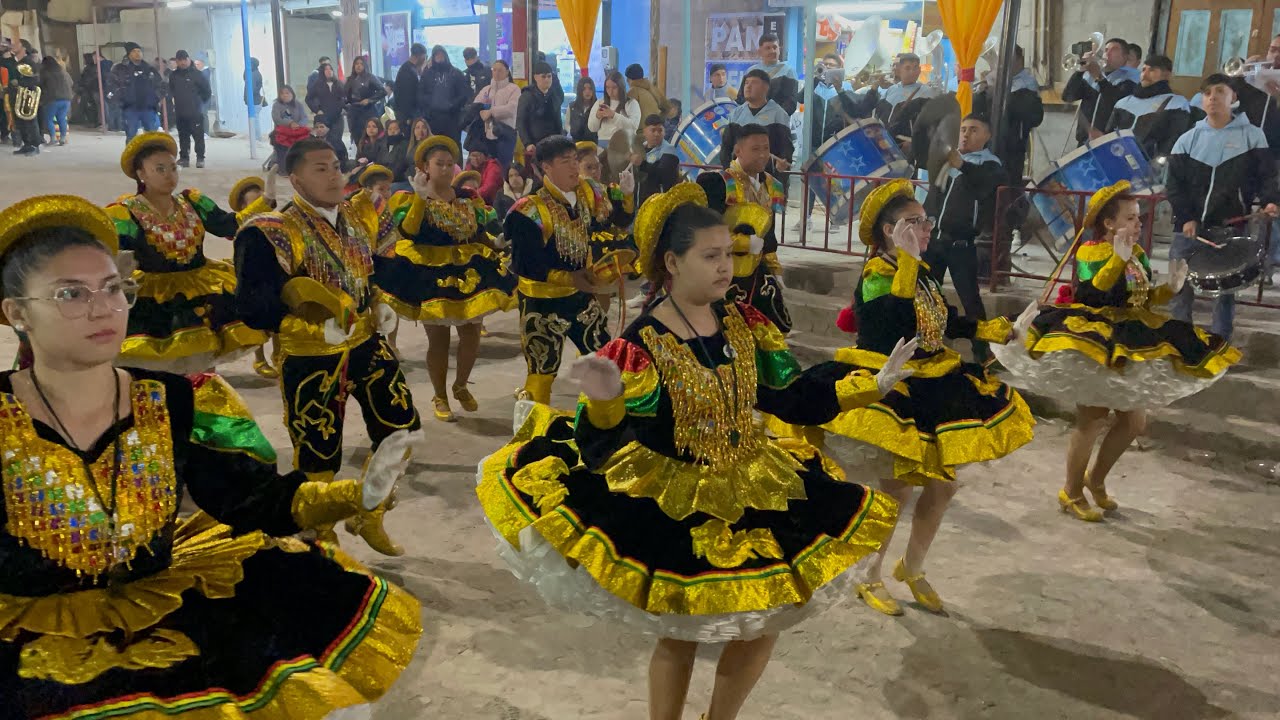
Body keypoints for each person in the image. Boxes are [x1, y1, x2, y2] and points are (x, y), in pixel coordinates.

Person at [476, 183, 903, 720]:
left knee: (764, 623)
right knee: (681, 634)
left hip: (756, 482)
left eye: (728, 253)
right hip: (676, 500)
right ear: (672, 263)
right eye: (710, 256)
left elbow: (787, 395)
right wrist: (606, 400)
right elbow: (604, 448)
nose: (726, 266)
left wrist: (869, 386)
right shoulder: (641, 344)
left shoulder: (745, 323)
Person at [0, 193, 424, 719]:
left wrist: (354, 495)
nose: (102, 308)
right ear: (17, 313)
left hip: (166, 610)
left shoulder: (175, 398)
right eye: (70, 293)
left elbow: (249, 498)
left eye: (113, 288)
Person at [785, 179, 1035, 616]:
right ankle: (869, 575)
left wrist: (998, 330)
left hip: (935, 381)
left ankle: (912, 567)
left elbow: (943, 321)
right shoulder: (877, 275)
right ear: (889, 231)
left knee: (944, 486)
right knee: (895, 490)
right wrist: (906, 262)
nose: (926, 228)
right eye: (914, 222)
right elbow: (894, 324)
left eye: (925, 219)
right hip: (889, 383)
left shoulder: (921, 271)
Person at [990, 181, 1240, 522]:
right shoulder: (1090, 252)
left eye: (1139, 218)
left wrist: (1170, 289)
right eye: (1131, 218)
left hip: (1129, 336)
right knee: (1091, 420)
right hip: (1094, 339)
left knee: (1134, 422)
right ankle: (1071, 491)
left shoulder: (1137, 255)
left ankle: (1095, 479)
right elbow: (1092, 294)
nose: (1139, 224)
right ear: (1109, 223)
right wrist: (1116, 261)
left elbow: (1140, 300)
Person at [234, 137, 422, 553]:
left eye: (336, 165)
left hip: (365, 342)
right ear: (296, 179)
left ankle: (370, 512)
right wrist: (307, 327)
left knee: (402, 430)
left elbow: (379, 270)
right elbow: (252, 305)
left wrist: (381, 301)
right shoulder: (272, 231)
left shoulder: (360, 215)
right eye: (320, 169)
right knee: (318, 456)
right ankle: (321, 541)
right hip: (309, 357)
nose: (334, 175)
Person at [375, 136, 516, 421]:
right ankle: (439, 395)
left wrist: (496, 243)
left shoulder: (467, 198)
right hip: (430, 274)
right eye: (439, 163)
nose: (446, 168)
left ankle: (460, 385)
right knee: (438, 341)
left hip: (469, 271)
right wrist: (420, 198)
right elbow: (409, 232)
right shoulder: (409, 198)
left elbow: (478, 233)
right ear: (425, 167)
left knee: (471, 335)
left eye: (450, 163)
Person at [105, 132, 268, 373]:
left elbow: (229, 225)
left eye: (173, 168)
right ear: (141, 174)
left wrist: (266, 202)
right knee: (160, 364)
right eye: (160, 169)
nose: (169, 175)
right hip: (156, 298)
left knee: (205, 357)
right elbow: (115, 257)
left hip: (200, 289)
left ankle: (203, 390)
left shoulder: (192, 202)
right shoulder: (124, 214)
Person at [505, 135, 633, 404]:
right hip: (541, 303)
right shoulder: (529, 210)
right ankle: (534, 426)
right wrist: (568, 278)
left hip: (580, 297)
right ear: (546, 167)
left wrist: (628, 195)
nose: (575, 166)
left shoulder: (588, 193)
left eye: (575, 160)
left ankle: (606, 421)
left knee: (605, 362)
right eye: (566, 161)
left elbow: (616, 221)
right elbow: (525, 263)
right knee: (542, 374)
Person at [1166, 74, 1280, 342]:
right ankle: (1179, 336)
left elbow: (1267, 176)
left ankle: (1220, 340)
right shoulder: (1188, 139)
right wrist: (1186, 217)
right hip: (1188, 228)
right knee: (1177, 283)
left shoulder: (1252, 135)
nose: (1213, 97)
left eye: (1220, 91)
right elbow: (1174, 185)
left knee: (1226, 288)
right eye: (1207, 93)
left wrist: (1270, 201)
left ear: (1233, 97)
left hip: (1230, 225)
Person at [921, 114, 1004, 363]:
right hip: (934, 241)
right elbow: (933, 197)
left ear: (987, 136)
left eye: (974, 130)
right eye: (963, 129)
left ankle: (983, 354)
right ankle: (929, 345)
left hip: (961, 245)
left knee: (971, 301)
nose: (966, 134)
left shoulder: (990, 166)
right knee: (927, 295)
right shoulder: (948, 162)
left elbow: (985, 186)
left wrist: (963, 165)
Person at [698, 124, 790, 332]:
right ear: (738, 150)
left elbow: (769, 235)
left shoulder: (772, 185)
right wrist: (744, 243)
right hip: (722, 270)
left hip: (758, 272)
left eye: (766, 148)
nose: (763, 155)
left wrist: (774, 269)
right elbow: (704, 234)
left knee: (770, 327)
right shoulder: (718, 183)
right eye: (755, 149)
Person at [1106, 54, 1191, 162]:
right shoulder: (1123, 103)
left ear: (1167, 75)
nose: (1145, 75)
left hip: (1153, 166)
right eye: (1143, 70)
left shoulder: (1177, 104)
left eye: (1152, 70)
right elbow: (1108, 137)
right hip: (1118, 161)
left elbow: (1172, 143)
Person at [1062, 37, 1139, 145]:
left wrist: (1099, 77)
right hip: (1084, 140)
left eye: (1114, 50)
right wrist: (1080, 70)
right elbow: (1068, 96)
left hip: (1109, 141)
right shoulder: (1090, 76)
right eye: (1106, 50)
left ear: (1125, 57)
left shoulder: (1131, 79)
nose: (1107, 53)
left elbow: (1115, 101)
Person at [723, 69, 793, 175]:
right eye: (746, 83)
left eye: (754, 83)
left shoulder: (778, 113)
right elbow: (726, 147)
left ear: (765, 88)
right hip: (739, 175)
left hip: (768, 176)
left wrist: (783, 162)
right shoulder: (736, 114)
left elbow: (785, 146)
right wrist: (728, 171)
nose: (748, 87)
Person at [874, 53, 937, 164]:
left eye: (915, 67)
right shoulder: (891, 90)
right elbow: (878, 116)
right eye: (907, 68)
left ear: (919, 70)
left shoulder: (927, 93)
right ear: (899, 70)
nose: (912, 71)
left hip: (909, 150)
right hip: (885, 146)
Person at [109, 41, 164, 141]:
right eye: (134, 51)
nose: (137, 53)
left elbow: (161, 85)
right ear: (129, 54)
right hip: (130, 109)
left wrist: (155, 98)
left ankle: (150, 151)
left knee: (151, 136)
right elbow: (111, 85)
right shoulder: (120, 69)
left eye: (139, 51)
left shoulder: (149, 69)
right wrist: (122, 100)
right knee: (131, 136)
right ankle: (132, 152)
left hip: (148, 108)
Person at [473, 58, 520, 169]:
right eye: (494, 70)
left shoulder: (514, 89)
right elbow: (476, 104)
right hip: (488, 134)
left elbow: (511, 109)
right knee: (489, 167)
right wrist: (482, 112)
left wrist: (491, 111)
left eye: (500, 70)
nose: (496, 73)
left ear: (507, 72)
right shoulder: (487, 89)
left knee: (504, 167)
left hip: (506, 133)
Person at [167, 50, 211, 167]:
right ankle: (184, 158)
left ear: (188, 59)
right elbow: (170, 90)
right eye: (180, 60)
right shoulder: (173, 76)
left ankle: (200, 158)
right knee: (183, 137)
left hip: (195, 112)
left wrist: (198, 103)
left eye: (184, 60)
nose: (182, 63)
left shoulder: (197, 74)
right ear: (177, 61)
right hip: (180, 113)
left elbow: (206, 91)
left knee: (198, 136)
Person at [419, 44, 470, 145]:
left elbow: (464, 94)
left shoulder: (456, 73)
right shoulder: (427, 74)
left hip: (452, 119)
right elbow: (420, 94)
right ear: (433, 57)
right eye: (437, 55)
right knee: (434, 146)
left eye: (441, 55)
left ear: (446, 56)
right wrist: (429, 106)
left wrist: (452, 105)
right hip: (433, 119)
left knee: (453, 146)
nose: (439, 57)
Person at [736, 33, 798, 115]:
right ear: (760, 51)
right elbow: (741, 98)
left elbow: (791, 104)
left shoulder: (788, 71)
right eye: (768, 48)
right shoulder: (751, 71)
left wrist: (771, 117)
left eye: (775, 47)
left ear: (779, 50)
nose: (772, 51)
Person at [588, 71, 641, 158]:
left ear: (621, 87)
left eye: (614, 87)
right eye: (607, 87)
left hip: (624, 147)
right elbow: (592, 128)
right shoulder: (600, 102)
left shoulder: (631, 103)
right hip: (603, 147)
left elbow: (633, 127)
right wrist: (597, 117)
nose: (610, 91)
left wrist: (613, 115)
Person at [632, 113, 681, 207]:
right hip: (640, 203)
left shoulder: (669, 150)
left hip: (658, 205)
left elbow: (662, 173)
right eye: (653, 130)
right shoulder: (640, 148)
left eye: (660, 130)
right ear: (644, 131)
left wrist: (642, 164)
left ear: (664, 132)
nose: (657, 134)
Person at [517, 61, 565, 153]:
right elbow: (521, 122)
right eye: (543, 76)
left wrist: (561, 138)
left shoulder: (554, 95)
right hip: (535, 145)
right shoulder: (527, 96)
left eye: (549, 76)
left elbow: (558, 120)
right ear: (535, 77)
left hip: (554, 143)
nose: (547, 79)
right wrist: (527, 143)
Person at [345, 55, 386, 149]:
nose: (358, 66)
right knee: (357, 139)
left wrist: (370, 100)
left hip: (368, 111)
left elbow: (383, 91)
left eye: (361, 64)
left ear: (365, 65)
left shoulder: (370, 77)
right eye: (356, 64)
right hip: (354, 113)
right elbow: (345, 96)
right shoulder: (350, 79)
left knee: (371, 138)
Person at [8, 48, 42, 156]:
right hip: (17, 96)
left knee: (30, 122)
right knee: (21, 123)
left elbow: (34, 79)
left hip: (27, 96)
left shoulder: (28, 62)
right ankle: (27, 145)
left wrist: (19, 83)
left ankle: (35, 146)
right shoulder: (14, 62)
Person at [306, 61, 346, 148]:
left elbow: (345, 97)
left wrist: (343, 108)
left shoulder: (339, 83)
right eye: (326, 69)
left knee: (337, 141)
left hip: (337, 117)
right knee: (324, 142)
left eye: (330, 69)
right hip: (324, 117)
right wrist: (317, 110)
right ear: (322, 72)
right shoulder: (317, 84)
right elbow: (308, 99)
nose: (329, 71)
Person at [38, 55, 72, 146]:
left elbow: (40, 85)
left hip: (52, 99)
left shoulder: (45, 73)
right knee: (62, 118)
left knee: (49, 119)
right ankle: (62, 139)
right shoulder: (63, 72)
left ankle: (53, 139)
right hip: (66, 99)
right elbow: (71, 83)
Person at [393, 42, 427, 126]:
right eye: (424, 57)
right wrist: (409, 117)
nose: (425, 60)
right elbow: (407, 96)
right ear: (419, 56)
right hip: (407, 115)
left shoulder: (411, 69)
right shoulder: (407, 71)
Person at [464, 132, 504, 204]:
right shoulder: (469, 166)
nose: (475, 158)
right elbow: (464, 184)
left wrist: (471, 196)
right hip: (476, 200)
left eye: (478, 155)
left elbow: (489, 188)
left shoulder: (493, 166)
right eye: (473, 155)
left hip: (492, 203)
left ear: (485, 157)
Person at [567, 75, 599, 144]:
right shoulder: (572, 106)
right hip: (575, 144)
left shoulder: (598, 106)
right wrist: (570, 132)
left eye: (590, 88)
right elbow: (567, 124)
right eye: (584, 89)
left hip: (593, 145)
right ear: (579, 90)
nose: (587, 91)